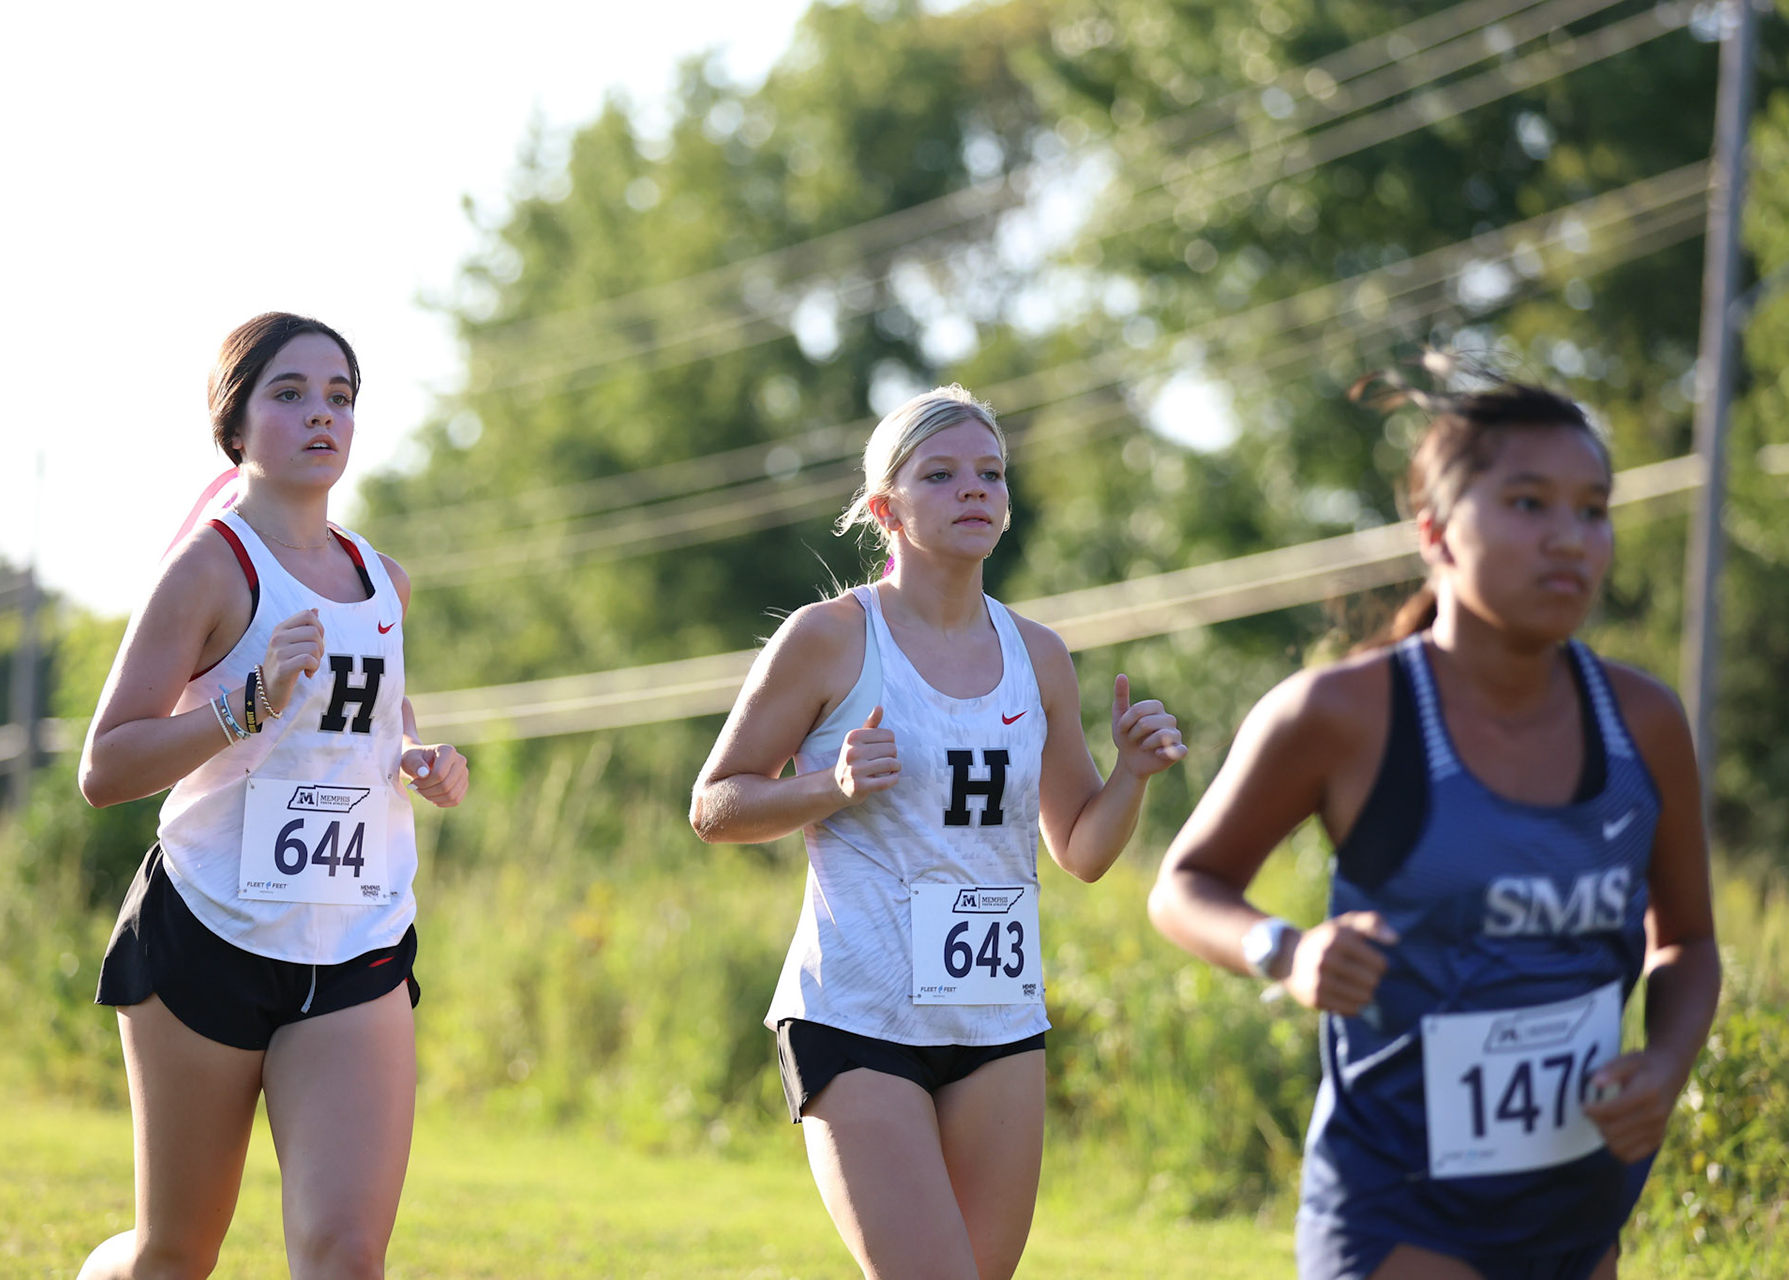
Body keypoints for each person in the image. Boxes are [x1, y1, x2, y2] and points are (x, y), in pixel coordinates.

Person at [1148, 374, 1720, 1279]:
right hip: (1400, 1212)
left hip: (1582, 1219)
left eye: (1594, 509)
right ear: (1435, 534)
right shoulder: (1340, 714)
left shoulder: (1643, 720)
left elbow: (1686, 938)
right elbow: (1182, 886)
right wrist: (1286, 953)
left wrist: (1668, 1062)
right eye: (1529, 504)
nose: (1570, 538)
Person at [690, 385, 1189, 1280]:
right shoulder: (830, 638)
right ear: (885, 508)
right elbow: (715, 804)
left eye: (991, 473)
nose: (976, 490)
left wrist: (1131, 777)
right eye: (943, 474)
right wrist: (828, 786)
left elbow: (1080, 848)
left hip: (997, 1016)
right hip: (858, 1015)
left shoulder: (1038, 654)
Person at [75, 312, 468, 1280]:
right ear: (236, 424)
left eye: (340, 396)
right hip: (208, 931)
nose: (320, 414)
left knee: (344, 1252)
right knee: (175, 1252)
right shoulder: (209, 568)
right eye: (288, 394)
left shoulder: (385, 579)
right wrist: (244, 708)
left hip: (354, 940)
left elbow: (380, 701)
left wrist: (420, 755)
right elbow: (105, 766)